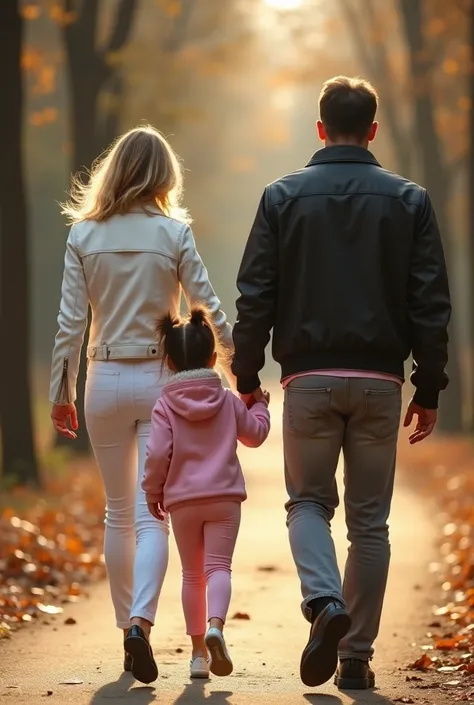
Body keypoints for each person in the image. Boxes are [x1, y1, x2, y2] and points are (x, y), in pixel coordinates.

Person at [231, 76, 451, 690]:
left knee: (307, 503)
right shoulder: (412, 200)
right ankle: (355, 657)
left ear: (320, 128)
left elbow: (256, 295)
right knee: (370, 522)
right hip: (382, 382)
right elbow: (430, 303)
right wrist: (428, 387)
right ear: (374, 130)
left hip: (309, 381)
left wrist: (246, 375)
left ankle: (324, 603)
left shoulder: (281, 197)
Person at [49, 126, 234, 685]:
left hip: (103, 376)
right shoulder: (173, 233)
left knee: (117, 511)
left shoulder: (83, 235)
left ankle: (125, 626)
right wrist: (239, 365)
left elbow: (69, 323)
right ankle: (141, 624)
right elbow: (207, 302)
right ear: (164, 175)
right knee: (154, 513)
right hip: (160, 381)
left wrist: (59, 390)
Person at [142, 306, 270, 680]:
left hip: (182, 501)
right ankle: (216, 627)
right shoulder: (228, 399)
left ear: (168, 361)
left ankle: (199, 655)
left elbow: (157, 454)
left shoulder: (165, 404)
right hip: (224, 498)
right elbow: (255, 434)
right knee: (219, 568)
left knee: (191, 575)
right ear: (214, 358)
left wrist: (153, 491)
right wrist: (259, 403)